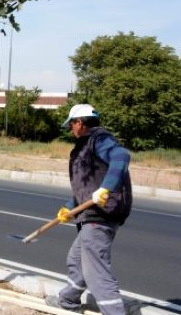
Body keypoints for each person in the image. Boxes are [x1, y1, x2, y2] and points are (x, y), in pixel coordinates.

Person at [45, 104, 132, 315]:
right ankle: (68, 300)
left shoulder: (100, 140)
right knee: (76, 259)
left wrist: (106, 188)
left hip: (101, 215)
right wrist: (69, 208)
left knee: (96, 271)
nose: (70, 130)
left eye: (71, 125)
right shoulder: (85, 146)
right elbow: (88, 187)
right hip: (92, 212)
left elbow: (121, 156)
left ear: (79, 122)